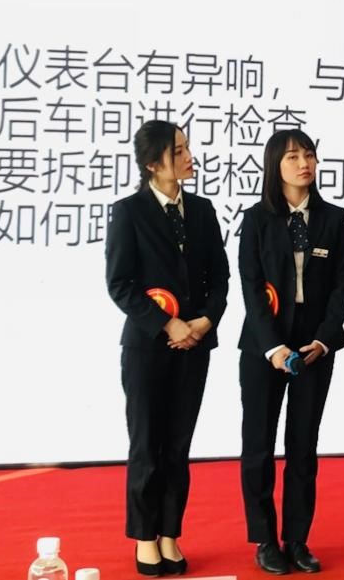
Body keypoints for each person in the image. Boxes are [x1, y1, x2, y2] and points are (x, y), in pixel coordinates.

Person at [105, 120, 229, 577]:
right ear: (153, 164)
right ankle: (145, 538)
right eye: (177, 151)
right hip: (146, 347)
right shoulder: (129, 212)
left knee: (178, 445)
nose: (188, 156)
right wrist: (166, 323)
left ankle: (170, 534)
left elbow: (220, 278)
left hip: (194, 345)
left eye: (186, 147)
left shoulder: (202, 211)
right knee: (147, 444)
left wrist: (204, 321)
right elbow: (120, 284)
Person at [237, 129, 344, 575]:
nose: (304, 164)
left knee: (303, 446)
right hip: (264, 346)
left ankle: (298, 539)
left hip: (313, 347)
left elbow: (342, 285)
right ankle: (265, 539)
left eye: (309, 155)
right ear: (275, 165)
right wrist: (272, 346)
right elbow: (250, 286)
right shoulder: (257, 219)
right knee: (258, 445)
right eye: (292, 157)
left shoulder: (333, 219)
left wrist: (324, 340)